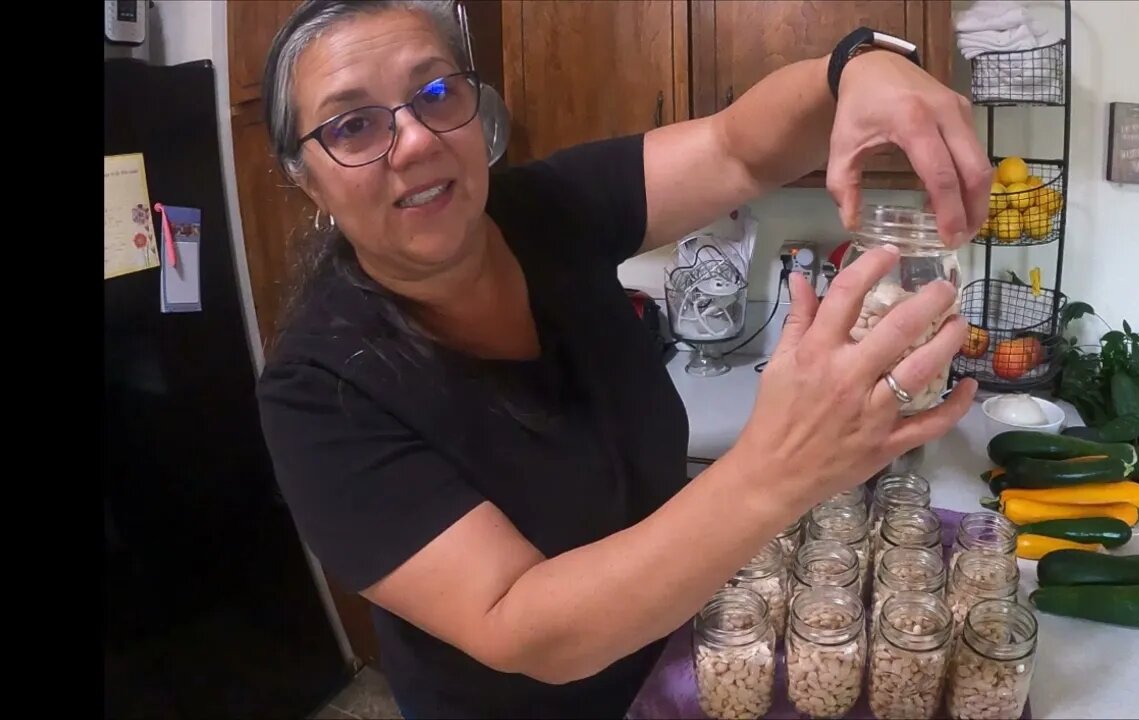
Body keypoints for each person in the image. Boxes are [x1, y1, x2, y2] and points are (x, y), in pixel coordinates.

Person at [255, 1, 988, 717]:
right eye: (353, 125)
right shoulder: (319, 391)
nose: (414, 140)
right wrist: (780, 467)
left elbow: (738, 148)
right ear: (305, 176)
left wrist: (855, 66)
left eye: (437, 92)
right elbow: (524, 625)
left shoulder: (545, 209)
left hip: (679, 667)